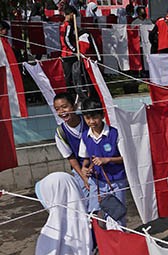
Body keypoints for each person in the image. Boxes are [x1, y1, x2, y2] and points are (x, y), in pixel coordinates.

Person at [78, 98, 128, 226]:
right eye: (87, 118)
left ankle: (121, 241)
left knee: (118, 214)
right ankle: (102, 242)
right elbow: (85, 159)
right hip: (97, 182)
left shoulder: (114, 133)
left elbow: (126, 158)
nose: (91, 122)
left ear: (102, 116)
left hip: (116, 181)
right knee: (96, 215)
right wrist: (85, 169)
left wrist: (108, 159)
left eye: (95, 118)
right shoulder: (85, 136)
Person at [53, 93, 90, 195]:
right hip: (81, 171)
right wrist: (84, 177)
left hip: (99, 165)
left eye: (65, 107)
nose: (61, 112)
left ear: (74, 106)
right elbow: (71, 158)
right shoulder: (61, 133)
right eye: (57, 109)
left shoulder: (89, 121)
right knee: (86, 204)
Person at [61, 6, 79, 91]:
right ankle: (71, 91)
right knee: (72, 74)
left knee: (68, 75)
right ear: (72, 14)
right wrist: (74, 49)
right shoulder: (68, 25)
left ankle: (71, 91)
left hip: (66, 53)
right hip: (68, 53)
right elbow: (66, 39)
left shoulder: (63, 24)